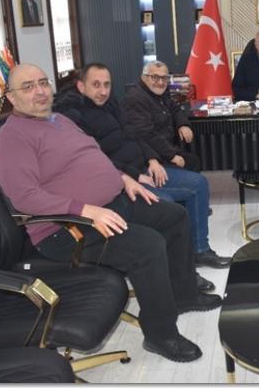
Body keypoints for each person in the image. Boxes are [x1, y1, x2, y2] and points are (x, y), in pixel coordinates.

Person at [0, 64, 222, 363]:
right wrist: (85, 209)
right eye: (28, 87)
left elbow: (93, 157)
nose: (39, 91)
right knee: (147, 246)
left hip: (112, 203)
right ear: (11, 97)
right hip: (67, 228)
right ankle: (160, 334)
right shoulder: (11, 139)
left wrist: (124, 179)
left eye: (43, 83)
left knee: (174, 217)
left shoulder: (59, 119)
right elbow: (24, 197)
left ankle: (184, 295)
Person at [53, 62, 228, 274]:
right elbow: (94, 160)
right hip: (122, 181)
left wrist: (152, 159)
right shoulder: (73, 118)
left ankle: (199, 250)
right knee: (167, 204)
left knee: (198, 184)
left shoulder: (111, 104)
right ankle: (175, 269)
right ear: (82, 86)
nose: (103, 91)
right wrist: (135, 175)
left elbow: (134, 135)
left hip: (144, 167)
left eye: (107, 85)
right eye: (96, 85)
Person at [121, 60, 230, 268]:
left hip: (160, 154)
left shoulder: (159, 95)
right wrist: (170, 156)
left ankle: (196, 229)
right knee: (197, 183)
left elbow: (176, 109)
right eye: (155, 77)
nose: (160, 82)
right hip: (146, 162)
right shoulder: (136, 99)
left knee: (194, 162)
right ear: (144, 77)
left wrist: (182, 124)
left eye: (164, 78)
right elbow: (145, 135)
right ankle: (198, 249)